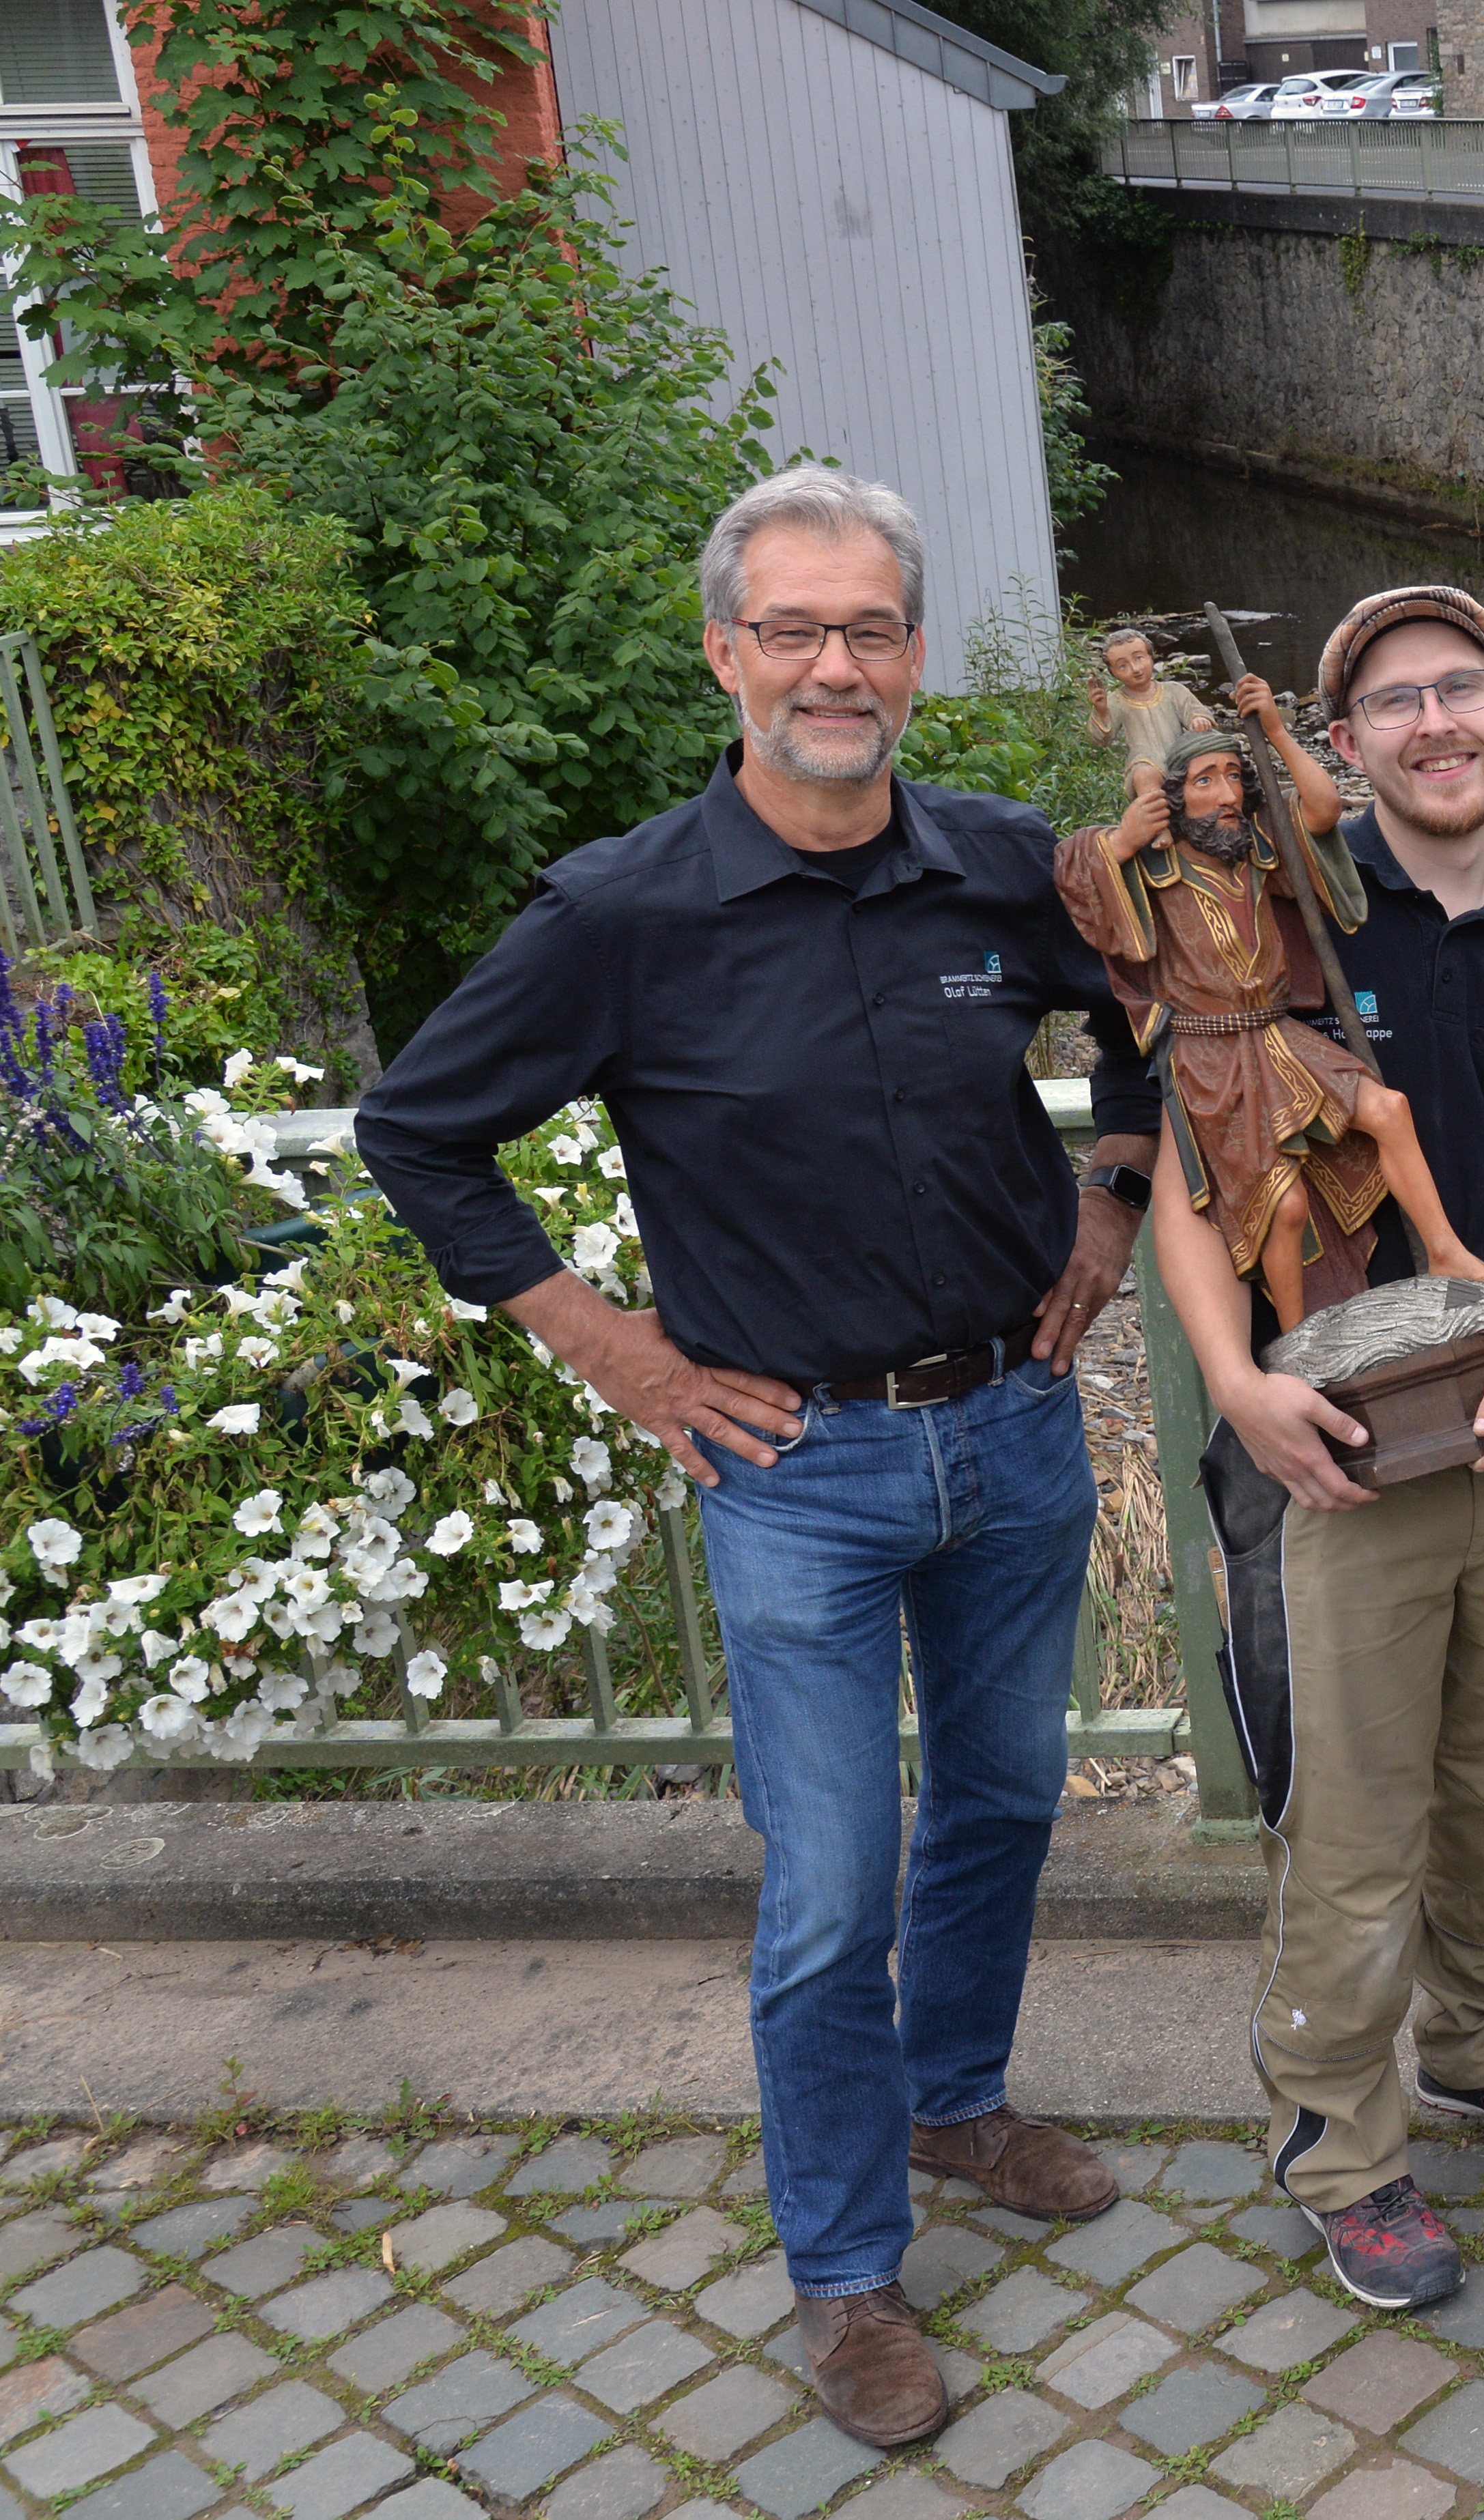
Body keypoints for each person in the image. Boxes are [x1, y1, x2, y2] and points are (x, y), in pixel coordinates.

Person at [356, 466, 1156, 2449]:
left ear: (909, 656)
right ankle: (845, 2268)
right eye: (791, 628)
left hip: (1014, 1426)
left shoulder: (993, 868)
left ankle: (956, 2103)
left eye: (868, 628)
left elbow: (1160, 1003)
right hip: (794, 1466)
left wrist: (1113, 1202)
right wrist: (617, 1353)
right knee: (829, 1884)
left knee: (1000, 1800)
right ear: (725, 654)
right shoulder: (620, 915)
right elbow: (416, 1134)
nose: (832, 664)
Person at [1163, 583, 1484, 2313]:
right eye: (1394, 701)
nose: (1435, 724)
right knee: (1352, 1819)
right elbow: (1180, 1167)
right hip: (1331, 1451)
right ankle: (1339, 2142)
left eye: (1463, 689)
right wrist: (1235, 1382)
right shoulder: (1270, 923)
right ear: (1340, 738)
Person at [1053, 708, 1484, 1324]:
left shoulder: (1257, 852)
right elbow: (1075, 873)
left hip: (1276, 1034)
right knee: (1285, 1207)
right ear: (1173, 798)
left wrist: (1271, 729)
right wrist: (1122, 840)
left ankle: (1445, 1251)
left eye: (1233, 778)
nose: (1226, 796)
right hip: (1208, 1057)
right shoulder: (1154, 867)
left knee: (1389, 1110)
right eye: (1204, 782)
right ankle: (1299, 1335)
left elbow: (1322, 808)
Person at [1091, 625, 1214, 771]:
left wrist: (1198, 719)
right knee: (1145, 774)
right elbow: (1100, 741)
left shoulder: (1174, 691)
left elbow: (1194, 710)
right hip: (1142, 762)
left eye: (1139, 658)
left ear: (1151, 657)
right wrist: (1101, 712)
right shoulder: (1116, 701)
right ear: (1113, 673)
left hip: (1180, 757)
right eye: (1123, 666)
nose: (1135, 669)